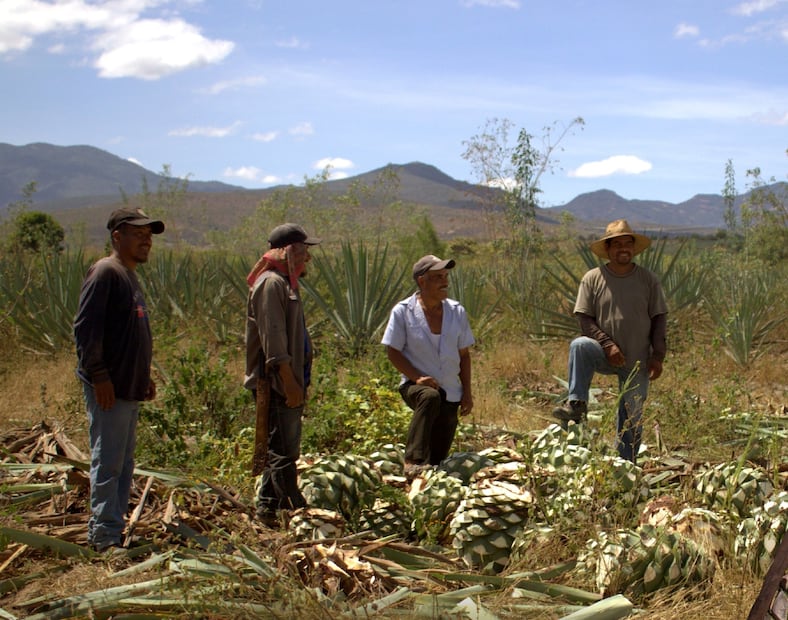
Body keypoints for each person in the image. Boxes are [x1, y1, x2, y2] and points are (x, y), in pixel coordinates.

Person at [74, 207, 164, 552]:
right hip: (109, 387)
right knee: (108, 461)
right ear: (117, 237)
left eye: (149, 235)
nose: (146, 241)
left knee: (123, 463)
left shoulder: (128, 275)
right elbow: (85, 328)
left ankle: (115, 527)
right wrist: (99, 375)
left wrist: (144, 376)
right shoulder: (106, 272)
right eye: (137, 234)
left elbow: (129, 332)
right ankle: (103, 537)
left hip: (128, 386)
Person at [552, 219, 668, 463]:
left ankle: (626, 465)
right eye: (617, 244)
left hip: (637, 359)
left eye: (627, 243)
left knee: (632, 417)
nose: (623, 248)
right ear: (608, 249)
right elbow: (584, 319)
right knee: (580, 345)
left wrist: (657, 356)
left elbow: (659, 318)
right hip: (603, 354)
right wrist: (607, 344)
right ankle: (576, 404)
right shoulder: (593, 278)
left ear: (633, 248)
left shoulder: (648, 280)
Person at [244, 223, 319, 523]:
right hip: (276, 382)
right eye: (300, 252)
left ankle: (267, 508)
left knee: (282, 444)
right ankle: (293, 508)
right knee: (284, 451)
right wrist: (289, 383)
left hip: (288, 380)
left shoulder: (286, 283)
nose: (305, 259)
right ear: (286, 252)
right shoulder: (271, 283)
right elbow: (273, 343)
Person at [382, 255, 475, 478]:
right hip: (415, 386)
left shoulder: (456, 312)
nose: (445, 282)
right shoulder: (403, 311)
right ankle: (412, 460)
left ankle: (421, 486)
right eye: (437, 278)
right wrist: (417, 378)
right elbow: (392, 351)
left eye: (445, 277)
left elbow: (464, 356)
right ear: (422, 281)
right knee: (429, 396)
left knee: (437, 460)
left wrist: (467, 393)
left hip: (451, 391)